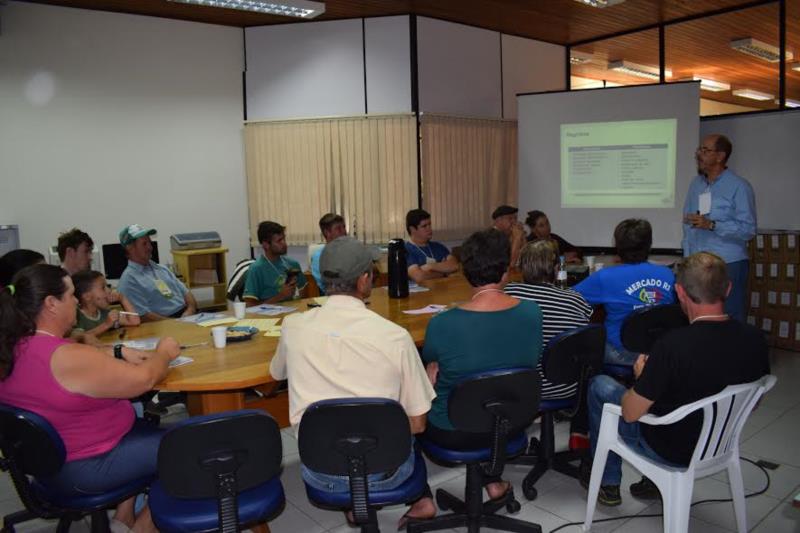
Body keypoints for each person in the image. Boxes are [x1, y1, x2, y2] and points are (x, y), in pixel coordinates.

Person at [270, 236, 436, 528]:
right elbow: (419, 423)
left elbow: (276, 375)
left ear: (322, 279)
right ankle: (420, 500)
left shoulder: (293, 327)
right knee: (406, 419)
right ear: (364, 280)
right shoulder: (394, 336)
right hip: (385, 471)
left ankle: (353, 503)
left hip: (321, 473)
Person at [0, 263, 180, 532]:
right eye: (71, 295)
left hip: (49, 468)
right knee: (189, 449)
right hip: (87, 467)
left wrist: (117, 351)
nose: (75, 301)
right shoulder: (65, 358)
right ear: (51, 303)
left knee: (143, 427)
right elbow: (144, 380)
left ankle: (123, 519)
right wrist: (164, 352)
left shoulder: (14, 346)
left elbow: (76, 352)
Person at [582, 252, 770, 506]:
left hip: (669, 450)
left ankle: (609, 483)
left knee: (599, 385)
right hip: (720, 444)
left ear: (680, 292)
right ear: (727, 288)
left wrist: (641, 379)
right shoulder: (755, 338)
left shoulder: (671, 346)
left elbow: (629, 414)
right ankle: (650, 482)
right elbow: (754, 401)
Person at [422, 229, 542, 503]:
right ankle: (493, 480)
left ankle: (420, 498)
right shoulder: (533, 312)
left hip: (452, 432)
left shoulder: (443, 323)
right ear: (505, 273)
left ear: (466, 272)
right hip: (511, 424)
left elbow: (431, 365)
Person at [505, 240, 593, 448]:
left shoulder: (507, 294)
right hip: (566, 386)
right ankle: (580, 432)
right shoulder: (574, 299)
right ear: (556, 269)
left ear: (521, 267)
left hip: (520, 387)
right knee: (591, 365)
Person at [574, 219, 675, 365]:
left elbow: (568, 300)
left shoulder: (605, 277)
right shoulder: (668, 274)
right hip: (659, 354)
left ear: (618, 246)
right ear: (649, 244)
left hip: (622, 354)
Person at [683, 134, 756, 323]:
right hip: (697, 264)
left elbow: (748, 229)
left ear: (720, 156)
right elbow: (688, 224)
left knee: (730, 317)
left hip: (728, 264)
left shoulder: (739, 187)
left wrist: (713, 225)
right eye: (699, 150)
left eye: (705, 150)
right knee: (700, 318)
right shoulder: (696, 184)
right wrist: (687, 258)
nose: (699, 154)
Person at [117, 224, 198, 321]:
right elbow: (144, 316)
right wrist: (176, 323)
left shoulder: (162, 269)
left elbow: (186, 292)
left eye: (150, 243)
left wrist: (191, 310)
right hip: (164, 324)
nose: (150, 247)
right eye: (144, 244)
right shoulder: (128, 281)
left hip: (188, 316)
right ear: (130, 248)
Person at [244, 221, 307, 304]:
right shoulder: (256, 269)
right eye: (279, 241)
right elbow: (250, 306)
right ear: (266, 245)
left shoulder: (293, 264)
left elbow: (305, 293)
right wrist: (281, 296)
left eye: (284, 239)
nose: (284, 243)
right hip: (268, 316)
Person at [72, 270, 141, 337]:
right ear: (87, 296)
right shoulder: (76, 316)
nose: (109, 290)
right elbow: (78, 339)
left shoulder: (105, 313)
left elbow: (135, 321)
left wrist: (122, 298)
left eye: (107, 286)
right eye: (103, 288)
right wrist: (106, 325)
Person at [404, 209, 459, 283]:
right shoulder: (406, 250)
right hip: (421, 293)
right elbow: (418, 276)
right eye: (424, 226)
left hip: (442, 291)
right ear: (412, 229)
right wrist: (444, 272)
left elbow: (454, 265)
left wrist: (430, 266)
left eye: (429, 224)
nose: (429, 229)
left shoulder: (438, 246)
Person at [309, 213, 347, 293]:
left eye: (344, 227)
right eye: (338, 229)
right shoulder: (319, 257)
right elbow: (327, 287)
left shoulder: (350, 251)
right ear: (327, 233)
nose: (344, 232)